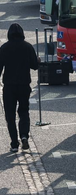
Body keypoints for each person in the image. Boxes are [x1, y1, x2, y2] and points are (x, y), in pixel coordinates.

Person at [0, 24, 39, 153]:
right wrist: (37, 60)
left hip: (9, 86)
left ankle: (14, 143)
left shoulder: (4, 48)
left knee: (10, 115)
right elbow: (34, 65)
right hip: (24, 85)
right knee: (23, 111)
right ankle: (24, 135)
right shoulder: (27, 47)